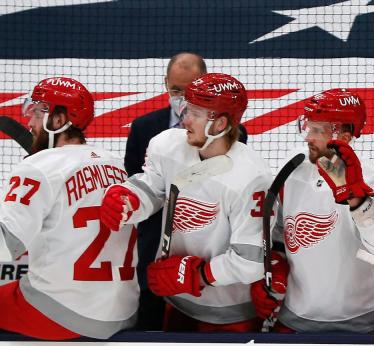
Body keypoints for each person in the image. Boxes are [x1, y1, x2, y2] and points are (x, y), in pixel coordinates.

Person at [99, 73, 271, 332]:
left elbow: (250, 263)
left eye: (196, 113)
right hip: (176, 299)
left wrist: (197, 274)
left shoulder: (252, 177)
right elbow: (155, 188)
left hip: (231, 313)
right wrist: (129, 198)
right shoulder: (166, 145)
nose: (185, 119)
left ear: (220, 123)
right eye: (186, 109)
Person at [250, 88, 374, 332]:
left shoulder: (371, 178)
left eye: (318, 130)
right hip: (296, 320)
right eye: (307, 126)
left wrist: (357, 199)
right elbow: (280, 233)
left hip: (366, 323)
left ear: (344, 135)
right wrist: (276, 265)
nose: (308, 137)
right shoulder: (293, 171)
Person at [0, 77, 137, 339]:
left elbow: (9, 243)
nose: (29, 122)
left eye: (38, 112)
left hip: (60, 312)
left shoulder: (38, 167)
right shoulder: (116, 165)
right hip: (123, 311)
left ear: (60, 120)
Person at [124, 53, 249, 330]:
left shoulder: (235, 133)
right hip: (155, 232)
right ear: (166, 83)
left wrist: (199, 272)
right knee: (150, 303)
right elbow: (138, 176)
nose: (181, 98)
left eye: (189, 89)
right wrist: (130, 197)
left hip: (204, 237)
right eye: (176, 90)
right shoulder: (145, 128)